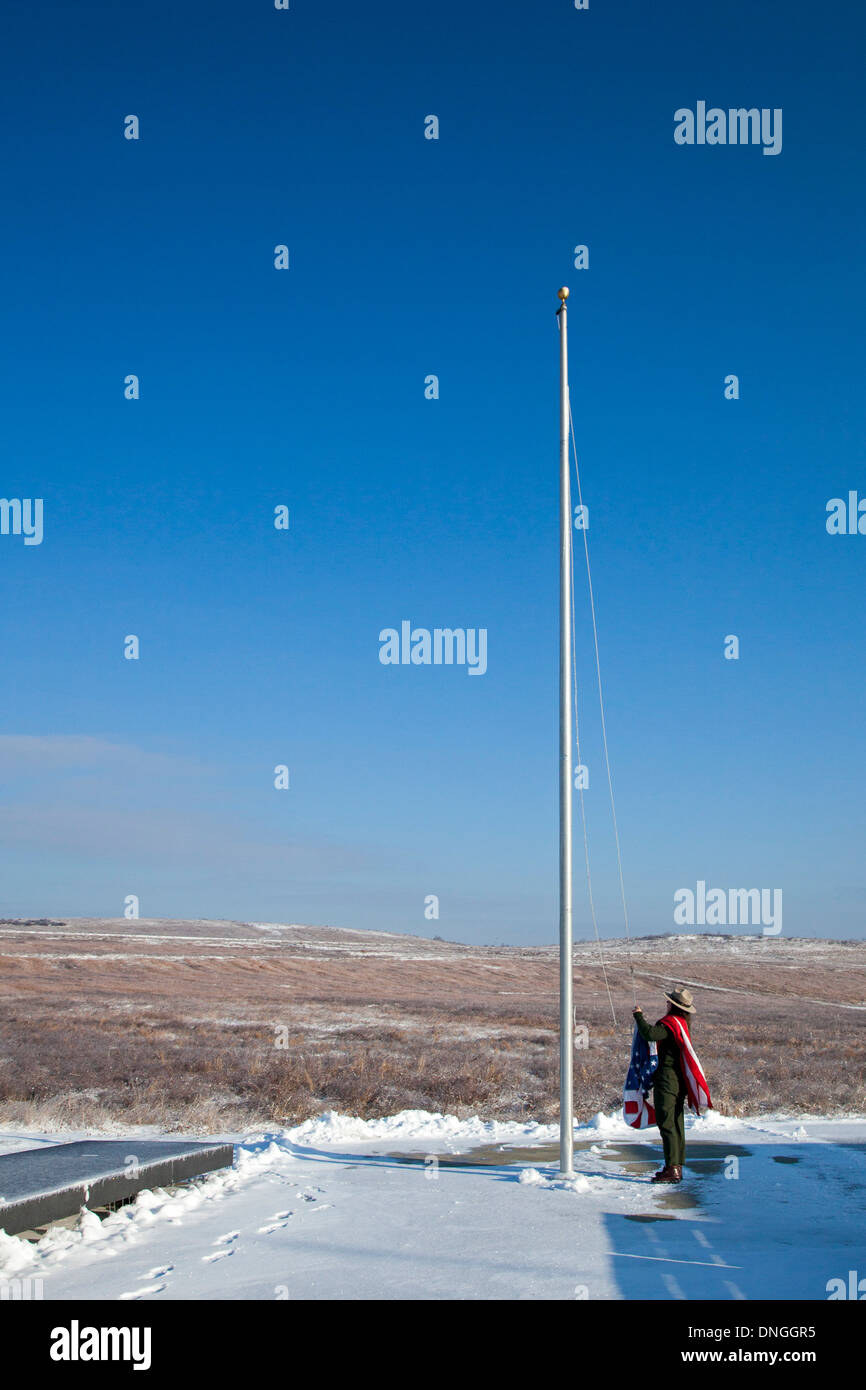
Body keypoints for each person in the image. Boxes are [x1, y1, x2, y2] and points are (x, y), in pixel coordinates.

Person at [632, 987, 703, 1184]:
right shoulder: (682, 1024)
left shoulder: (670, 1024)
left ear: (674, 1006)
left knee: (667, 1122)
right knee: (677, 1122)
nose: (667, 1004)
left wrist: (639, 1016)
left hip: (668, 1080)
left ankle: (673, 1168)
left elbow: (649, 1034)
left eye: (669, 1002)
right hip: (679, 1080)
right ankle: (675, 1165)